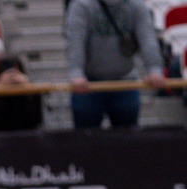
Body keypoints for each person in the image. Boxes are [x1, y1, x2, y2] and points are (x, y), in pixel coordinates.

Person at [65, 0, 165, 128]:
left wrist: (154, 69)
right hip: (88, 83)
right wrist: (76, 73)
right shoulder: (82, 5)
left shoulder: (136, 5)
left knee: (127, 138)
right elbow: (75, 42)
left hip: (125, 80)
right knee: (85, 138)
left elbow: (147, 38)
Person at [0, 57, 43, 133]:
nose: (12, 76)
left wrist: (28, 88)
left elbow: (37, 118)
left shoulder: (30, 90)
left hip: (27, 134)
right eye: (8, 73)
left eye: (16, 73)